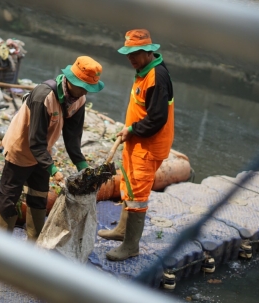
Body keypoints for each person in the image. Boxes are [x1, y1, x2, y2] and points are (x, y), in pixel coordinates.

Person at [0, 56, 105, 241]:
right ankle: (2, 245)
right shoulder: (43, 96)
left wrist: (83, 168)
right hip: (21, 150)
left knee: (39, 196)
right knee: (9, 198)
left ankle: (34, 243)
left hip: (43, 153)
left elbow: (72, 139)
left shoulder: (79, 99)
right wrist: (54, 170)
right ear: (70, 80)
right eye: (83, 86)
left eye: (88, 88)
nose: (85, 91)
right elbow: (35, 141)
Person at [98, 29, 174, 261]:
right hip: (137, 141)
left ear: (148, 51)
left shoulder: (157, 77)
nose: (130, 59)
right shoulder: (143, 71)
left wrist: (132, 129)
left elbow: (157, 118)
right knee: (128, 184)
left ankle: (131, 245)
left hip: (148, 146)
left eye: (135, 54)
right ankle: (122, 230)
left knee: (138, 194)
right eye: (128, 54)